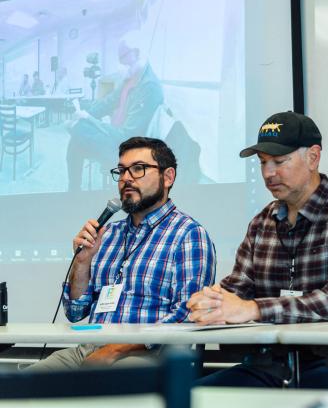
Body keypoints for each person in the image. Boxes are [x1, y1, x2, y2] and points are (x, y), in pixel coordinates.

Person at [187, 111, 328, 387]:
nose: (268, 173)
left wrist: (254, 309)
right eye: (263, 163)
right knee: (189, 399)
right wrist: (214, 302)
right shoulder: (261, 223)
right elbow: (238, 288)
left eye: (279, 161)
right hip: (273, 364)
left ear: (313, 157)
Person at [30, 137, 216, 370]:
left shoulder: (188, 234)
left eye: (138, 169)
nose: (126, 178)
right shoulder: (107, 234)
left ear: (168, 177)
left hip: (150, 356)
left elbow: (188, 314)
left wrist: (117, 348)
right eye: (121, 170)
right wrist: (82, 262)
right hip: (89, 350)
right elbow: (75, 312)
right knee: (16, 391)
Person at [66, 30, 163, 191]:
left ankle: (73, 190)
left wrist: (89, 120)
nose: (120, 63)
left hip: (128, 149)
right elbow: (108, 102)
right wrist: (85, 113)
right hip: (117, 137)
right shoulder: (131, 78)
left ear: (136, 52)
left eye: (122, 57)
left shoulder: (148, 87)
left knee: (77, 130)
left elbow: (129, 135)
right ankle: (73, 189)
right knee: (77, 134)